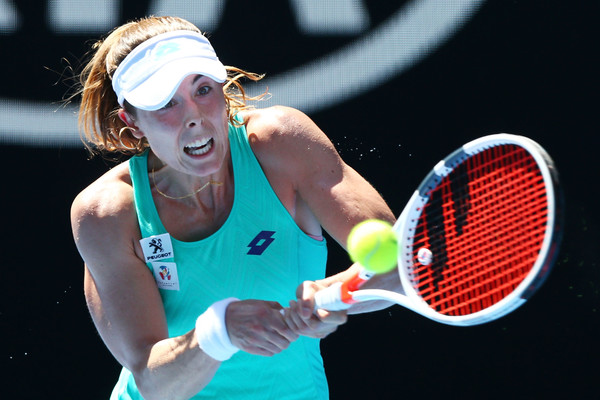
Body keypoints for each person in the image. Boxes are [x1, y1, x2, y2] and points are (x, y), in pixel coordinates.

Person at [70, 15, 400, 400]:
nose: (194, 116)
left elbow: (397, 269)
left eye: (203, 89)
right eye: (167, 103)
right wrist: (219, 330)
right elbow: (153, 382)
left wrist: (336, 293)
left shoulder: (281, 144)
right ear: (133, 122)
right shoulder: (107, 212)